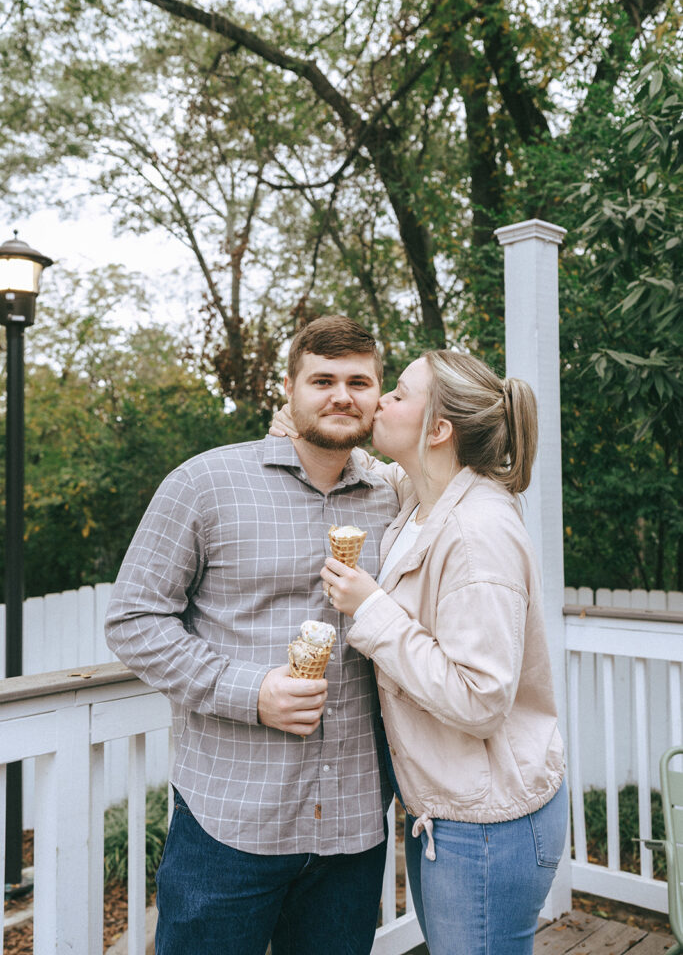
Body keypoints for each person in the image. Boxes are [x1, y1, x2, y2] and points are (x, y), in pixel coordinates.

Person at [104, 315, 400, 955]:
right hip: (230, 821)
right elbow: (133, 619)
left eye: (359, 381)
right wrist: (249, 691)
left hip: (352, 826)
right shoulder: (205, 483)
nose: (341, 396)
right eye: (322, 379)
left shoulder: (393, 497)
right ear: (289, 389)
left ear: (379, 395)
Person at [317, 350, 568, 955]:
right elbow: (389, 473)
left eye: (398, 394)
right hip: (449, 814)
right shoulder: (430, 497)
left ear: (438, 430)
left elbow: (480, 698)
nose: (380, 402)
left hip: (487, 828)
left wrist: (370, 609)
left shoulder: (476, 534)